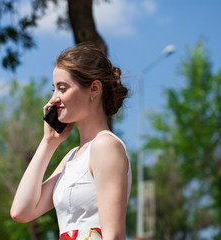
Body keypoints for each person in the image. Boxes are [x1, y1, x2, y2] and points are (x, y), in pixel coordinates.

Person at [10, 43, 132, 240]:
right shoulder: (72, 157)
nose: (53, 99)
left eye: (62, 88)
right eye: (54, 89)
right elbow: (21, 211)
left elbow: (114, 235)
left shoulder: (106, 146)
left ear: (94, 88)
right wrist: (48, 142)